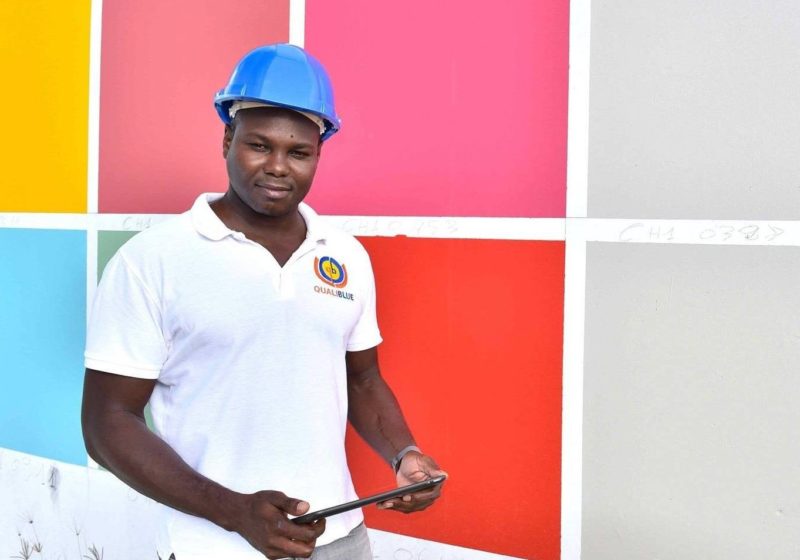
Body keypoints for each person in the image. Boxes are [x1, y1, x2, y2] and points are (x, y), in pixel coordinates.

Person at [81, 43, 446, 560]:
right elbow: (107, 423)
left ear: (318, 155)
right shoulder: (153, 260)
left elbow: (362, 378)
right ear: (227, 139)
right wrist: (233, 511)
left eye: (298, 153)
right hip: (212, 546)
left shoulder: (344, 254)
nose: (278, 167)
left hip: (340, 539)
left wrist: (404, 454)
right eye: (259, 145)